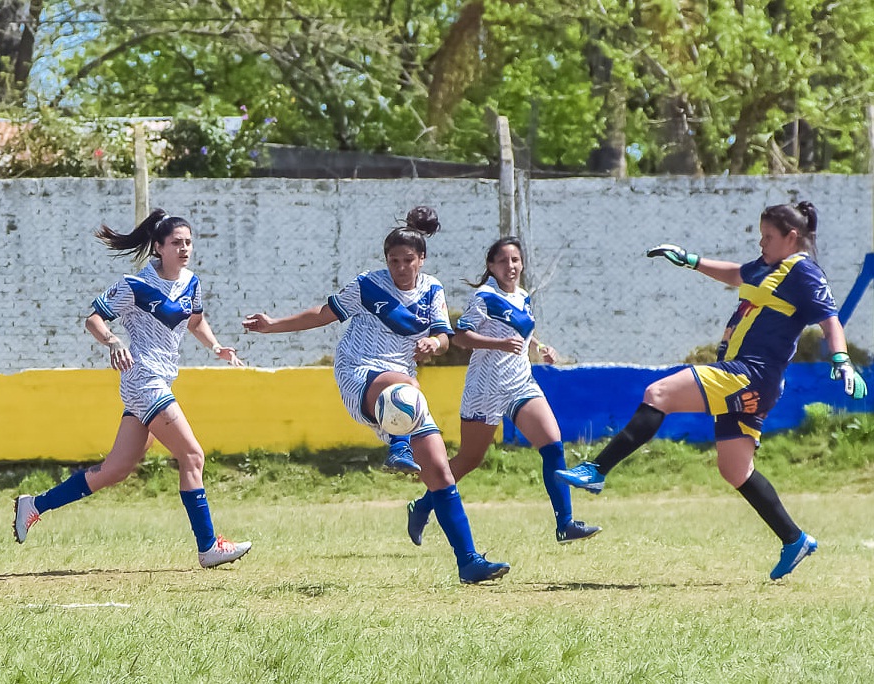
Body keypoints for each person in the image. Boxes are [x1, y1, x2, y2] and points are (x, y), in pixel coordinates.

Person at [556, 202, 865, 580]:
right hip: (753, 381)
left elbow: (829, 319)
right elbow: (736, 274)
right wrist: (690, 259)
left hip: (749, 374)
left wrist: (841, 359)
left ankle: (598, 469)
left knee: (659, 394)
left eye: (768, 236)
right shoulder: (767, 266)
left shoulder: (803, 272)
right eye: (760, 234)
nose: (761, 242)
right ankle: (794, 538)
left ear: (792, 238)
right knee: (735, 469)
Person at [243, 207, 511, 584]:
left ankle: (468, 561)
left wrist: (434, 343)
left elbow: (442, 333)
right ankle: (399, 447)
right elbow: (323, 313)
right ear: (385, 260)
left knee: (439, 470)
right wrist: (273, 326)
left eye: (408, 260)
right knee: (409, 388)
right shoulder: (368, 285)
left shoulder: (432, 288)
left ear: (422, 259)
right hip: (359, 371)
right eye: (394, 260)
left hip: (402, 387)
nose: (401, 267)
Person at [12, 209, 252, 569]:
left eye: (188, 242)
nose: (184, 248)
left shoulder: (191, 282)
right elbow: (93, 318)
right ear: (158, 247)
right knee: (192, 456)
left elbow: (196, 321)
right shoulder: (135, 284)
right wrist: (112, 341)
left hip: (160, 379)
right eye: (176, 243)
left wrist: (216, 347)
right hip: (143, 378)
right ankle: (208, 547)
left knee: (115, 469)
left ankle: (34, 505)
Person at [405, 237, 600, 548]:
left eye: (515, 260)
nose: (511, 266)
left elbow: (520, 332)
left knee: (552, 445)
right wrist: (497, 344)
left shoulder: (523, 296)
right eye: (503, 261)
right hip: (487, 385)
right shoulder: (484, 297)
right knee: (470, 459)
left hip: (521, 382)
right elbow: (461, 337)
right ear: (491, 266)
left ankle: (565, 524)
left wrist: (539, 348)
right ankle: (422, 507)